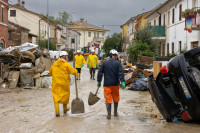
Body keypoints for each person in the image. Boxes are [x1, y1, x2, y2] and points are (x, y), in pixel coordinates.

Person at [97, 49, 126, 120]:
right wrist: (122, 81)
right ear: (115, 56)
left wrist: (99, 81)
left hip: (107, 84)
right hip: (116, 84)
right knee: (116, 98)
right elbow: (120, 73)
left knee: (108, 99)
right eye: (115, 56)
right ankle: (115, 112)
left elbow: (100, 73)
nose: (116, 57)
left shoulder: (104, 63)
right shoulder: (118, 63)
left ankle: (109, 114)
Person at [49, 51, 77, 117]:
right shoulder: (66, 64)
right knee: (65, 95)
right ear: (64, 56)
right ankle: (65, 109)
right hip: (64, 82)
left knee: (56, 96)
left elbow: (50, 72)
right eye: (66, 56)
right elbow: (73, 72)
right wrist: (76, 71)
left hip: (56, 83)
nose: (67, 57)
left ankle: (57, 111)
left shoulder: (54, 64)